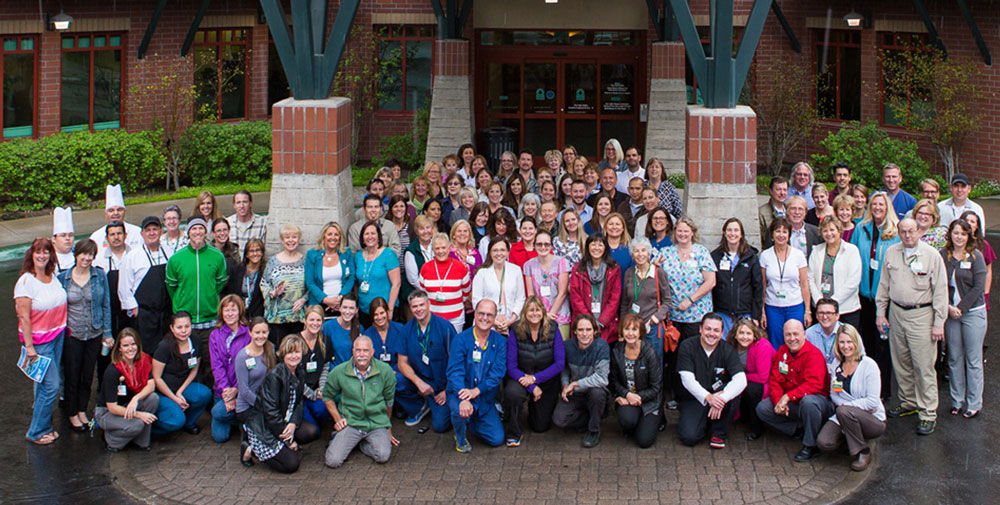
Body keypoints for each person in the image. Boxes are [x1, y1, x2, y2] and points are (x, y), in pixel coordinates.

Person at [875, 218, 948, 435]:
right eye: (903, 232)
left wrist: (938, 323)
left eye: (911, 232)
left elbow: (941, 291)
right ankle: (908, 402)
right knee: (901, 361)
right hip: (896, 313)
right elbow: (884, 285)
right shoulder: (891, 253)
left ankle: (927, 412)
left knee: (923, 365)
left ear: (919, 232)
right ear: (899, 232)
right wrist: (881, 312)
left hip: (922, 314)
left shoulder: (931, 255)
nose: (907, 236)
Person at [755, 320, 833, 462]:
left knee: (809, 402)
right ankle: (798, 429)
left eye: (796, 334)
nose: (792, 338)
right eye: (788, 335)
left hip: (817, 403)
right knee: (763, 408)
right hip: (793, 403)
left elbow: (814, 385)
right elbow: (775, 380)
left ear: (804, 334)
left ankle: (810, 445)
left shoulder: (813, 354)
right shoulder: (782, 352)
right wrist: (779, 400)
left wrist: (787, 397)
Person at [15, 238, 67, 445]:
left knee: (42, 385)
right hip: (40, 343)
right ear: (31, 254)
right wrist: (29, 347)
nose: (42, 255)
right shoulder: (26, 282)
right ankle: (36, 431)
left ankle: (44, 424)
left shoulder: (52, 276)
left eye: (46, 251)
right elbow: (24, 317)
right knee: (52, 386)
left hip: (57, 336)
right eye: (38, 252)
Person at [57, 238, 112, 432]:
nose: (87, 258)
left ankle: (82, 410)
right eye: (84, 254)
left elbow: (106, 305)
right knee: (72, 375)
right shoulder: (63, 278)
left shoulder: (99, 275)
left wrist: (107, 333)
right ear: (76, 255)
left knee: (88, 375)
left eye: (91, 254)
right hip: (73, 334)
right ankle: (71, 412)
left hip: (94, 332)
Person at [243, 334, 318, 473]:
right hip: (265, 426)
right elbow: (270, 413)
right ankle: (250, 449)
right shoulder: (275, 376)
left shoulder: (299, 371)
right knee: (291, 465)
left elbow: (300, 400)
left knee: (311, 432)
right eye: (290, 352)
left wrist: (293, 423)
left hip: (285, 418)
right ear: (283, 354)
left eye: (297, 352)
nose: (294, 356)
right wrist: (287, 440)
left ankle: (285, 447)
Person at [849, 192, 900, 398]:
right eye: (874, 204)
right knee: (866, 343)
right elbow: (853, 256)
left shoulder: (894, 231)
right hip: (863, 296)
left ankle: (883, 390)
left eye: (881, 204)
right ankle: (865, 387)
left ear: (887, 207)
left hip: (883, 298)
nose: (877, 207)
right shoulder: (861, 229)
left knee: (883, 346)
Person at [816, 324, 886, 472]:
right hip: (846, 415)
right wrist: (847, 409)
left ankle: (863, 452)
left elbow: (873, 401)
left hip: (872, 418)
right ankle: (851, 437)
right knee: (824, 443)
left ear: (856, 343)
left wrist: (847, 409)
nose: (846, 346)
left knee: (843, 411)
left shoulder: (869, 365)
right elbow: (834, 394)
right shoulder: (836, 364)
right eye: (842, 342)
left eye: (849, 342)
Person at [322, 334, 399, 466]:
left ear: (372, 352)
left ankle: (361, 444)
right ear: (353, 351)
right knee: (332, 461)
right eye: (358, 350)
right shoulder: (339, 371)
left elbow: (389, 401)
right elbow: (327, 396)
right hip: (352, 422)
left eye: (365, 350)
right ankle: (347, 440)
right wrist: (338, 419)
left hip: (376, 424)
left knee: (382, 456)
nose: (361, 354)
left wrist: (387, 425)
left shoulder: (385, 371)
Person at [676, 313, 747, 448]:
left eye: (716, 330)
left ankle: (718, 433)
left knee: (733, 393)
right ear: (700, 329)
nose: (711, 334)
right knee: (689, 437)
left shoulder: (727, 350)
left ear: (721, 333)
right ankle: (703, 421)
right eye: (708, 329)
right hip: (694, 398)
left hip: (719, 398)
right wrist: (708, 398)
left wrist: (722, 398)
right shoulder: (687, 346)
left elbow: (741, 380)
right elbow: (687, 379)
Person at [941, 219, 987, 418]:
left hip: (973, 312)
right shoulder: (943, 255)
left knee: (973, 359)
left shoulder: (976, 257)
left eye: (963, 233)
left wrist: (960, 308)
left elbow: (978, 287)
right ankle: (957, 400)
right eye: (955, 233)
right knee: (954, 357)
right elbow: (939, 283)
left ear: (969, 236)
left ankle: (974, 402)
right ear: (950, 234)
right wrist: (949, 307)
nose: (958, 237)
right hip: (951, 313)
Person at [504, 297, 564, 447]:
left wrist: (536, 379)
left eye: (537, 310)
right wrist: (531, 385)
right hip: (521, 378)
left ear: (543, 312)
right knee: (512, 393)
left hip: (545, 380)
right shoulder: (516, 330)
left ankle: (534, 408)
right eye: (531, 310)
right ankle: (514, 433)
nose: (534, 313)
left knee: (540, 426)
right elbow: (511, 367)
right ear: (525, 313)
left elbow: (559, 364)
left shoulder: (553, 329)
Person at [447, 300, 507, 452]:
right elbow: (455, 372)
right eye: (481, 314)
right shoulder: (461, 339)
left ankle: (472, 422)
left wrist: (476, 392)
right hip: (460, 394)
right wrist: (464, 398)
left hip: (483, 397)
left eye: (489, 315)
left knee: (497, 439)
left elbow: (497, 374)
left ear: (494, 318)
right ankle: (460, 437)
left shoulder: (500, 342)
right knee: (459, 411)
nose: (485, 318)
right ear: (474, 314)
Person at [396, 291, 458, 430]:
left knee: (440, 426)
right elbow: (402, 362)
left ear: (428, 304)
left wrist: (447, 390)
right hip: (421, 382)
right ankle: (419, 406)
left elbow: (456, 362)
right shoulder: (406, 331)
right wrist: (419, 383)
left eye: (421, 305)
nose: (418, 309)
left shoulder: (444, 327)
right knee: (396, 380)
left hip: (442, 385)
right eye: (414, 306)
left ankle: (435, 403)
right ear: (410, 309)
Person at [165, 216, 229, 349]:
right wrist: (182, 300)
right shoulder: (176, 258)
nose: (198, 232)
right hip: (185, 321)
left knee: (209, 359)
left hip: (209, 319)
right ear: (188, 232)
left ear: (205, 232)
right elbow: (171, 286)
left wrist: (209, 296)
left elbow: (220, 283)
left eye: (201, 228)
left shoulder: (217, 256)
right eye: (194, 228)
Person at [96, 328, 159, 452]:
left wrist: (136, 398)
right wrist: (139, 415)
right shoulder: (113, 371)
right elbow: (112, 407)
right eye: (125, 345)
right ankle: (112, 440)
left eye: (133, 344)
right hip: (108, 412)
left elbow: (151, 385)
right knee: (138, 424)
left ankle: (141, 441)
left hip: (128, 404)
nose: (130, 349)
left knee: (153, 398)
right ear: (119, 348)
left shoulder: (143, 360)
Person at [553, 314, 610, 448]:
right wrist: (565, 384)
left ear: (595, 331)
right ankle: (591, 417)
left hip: (593, 389)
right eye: (580, 330)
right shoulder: (568, 346)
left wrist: (575, 384)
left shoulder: (601, 346)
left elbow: (602, 378)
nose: (584, 334)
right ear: (574, 332)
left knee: (597, 394)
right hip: (575, 392)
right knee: (559, 420)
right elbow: (565, 368)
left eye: (588, 330)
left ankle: (593, 431)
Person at [151, 311, 212, 435]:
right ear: (172, 328)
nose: (183, 331)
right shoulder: (164, 347)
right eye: (179, 327)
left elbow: (195, 369)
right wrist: (175, 398)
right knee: (175, 421)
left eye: (187, 326)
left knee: (204, 394)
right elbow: (157, 378)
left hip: (183, 387)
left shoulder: (195, 341)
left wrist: (180, 392)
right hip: (164, 391)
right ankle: (149, 429)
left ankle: (189, 423)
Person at [658, 216, 717, 341]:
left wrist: (689, 301)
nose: (682, 234)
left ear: (692, 233)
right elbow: (653, 274)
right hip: (672, 315)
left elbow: (711, 281)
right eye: (679, 231)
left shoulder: (701, 252)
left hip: (696, 314)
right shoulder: (666, 252)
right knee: (674, 355)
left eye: (686, 231)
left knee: (693, 352)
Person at [610, 313, 662, 448]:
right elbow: (614, 381)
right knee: (627, 421)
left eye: (634, 329)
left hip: (649, 401)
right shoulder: (617, 351)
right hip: (627, 397)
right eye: (627, 329)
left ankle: (658, 418)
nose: (630, 333)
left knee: (644, 441)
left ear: (641, 332)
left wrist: (636, 398)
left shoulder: (649, 353)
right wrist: (626, 395)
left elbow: (656, 387)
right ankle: (636, 421)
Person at [119, 216, 170, 352]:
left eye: (155, 229)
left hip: (165, 314)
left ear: (161, 231)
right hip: (144, 316)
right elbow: (124, 288)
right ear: (142, 234)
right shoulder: (132, 256)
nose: (151, 233)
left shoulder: (169, 252)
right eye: (148, 230)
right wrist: (135, 310)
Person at [760, 217, 811, 348]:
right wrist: (763, 312)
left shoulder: (798, 255)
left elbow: (804, 284)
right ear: (772, 234)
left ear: (789, 235)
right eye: (778, 231)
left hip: (795, 306)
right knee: (776, 343)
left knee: (796, 342)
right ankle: (779, 368)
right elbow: (763, 285)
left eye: (784, 232)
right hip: (773, 307)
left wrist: (807, 310)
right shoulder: (765, 255)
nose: (781, 235)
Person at [208, 295, 251, 443]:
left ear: (240, 311)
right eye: (226, 310)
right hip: (223, 392)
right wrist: (227, 391)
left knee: (219, 412)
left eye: (234, 310)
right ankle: (239, 418)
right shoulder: (215, 335)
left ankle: (241, 415)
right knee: (220, 437)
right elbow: (216, 365)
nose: (230, 314)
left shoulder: (249, 334)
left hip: (242, 390)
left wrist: (237, 390)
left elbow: (251, 366)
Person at [233, 317, 275, 465]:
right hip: (248, 406)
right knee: (268, 437)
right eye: (257, 332)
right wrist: (262, 406)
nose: (261, 336)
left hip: (266, 402)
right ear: (250, 333)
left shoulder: (271, 349)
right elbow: (243, 390)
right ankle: (247, 448)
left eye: (264, 332)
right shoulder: (242, 356)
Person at [711, 218, 763, 336]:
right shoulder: (715, 256)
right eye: (729, 230)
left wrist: (756, 315)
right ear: (724, 233)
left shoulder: (751, 257)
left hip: (745, 313)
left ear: (741, 234)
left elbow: (758, 287)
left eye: (736, 230)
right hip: (722, 313)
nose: (732, 233)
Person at [808, 217, 862, 329]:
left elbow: (853, 280)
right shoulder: (816, 250)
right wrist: (819, 302)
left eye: (832, 230)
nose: (829, 234)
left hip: (846, 309)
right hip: (821, 310)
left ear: (839, 231)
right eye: (825, 230)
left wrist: (833, 302)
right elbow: (810, 278)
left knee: (846, 344)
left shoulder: (852, 250)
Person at [569, 233, 623, 344]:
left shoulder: (613, 268)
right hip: (583, 322)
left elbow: (615, 298)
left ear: (605, 248)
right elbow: (575, 297)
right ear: (588, 247)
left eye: (600, 245)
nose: (596, 248)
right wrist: (589, 322)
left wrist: (602, 321)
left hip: (606, 323)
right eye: (593, 244)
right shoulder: (578, 269)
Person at [260, 224, 307, 344]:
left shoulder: (305, 261)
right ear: (282, 240)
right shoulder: (273, 262)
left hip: (299, 317)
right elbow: (264, 284)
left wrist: (303, 299)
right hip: (277, 319)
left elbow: (311, 285)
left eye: (294, 237)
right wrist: (273, 293)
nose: (291, 240)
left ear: (299, 239)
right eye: (287, 237)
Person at [728, 319, 774, 440]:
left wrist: (739, 378)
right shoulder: (731, 346)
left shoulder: (762, 346)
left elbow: (763, 377)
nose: (745, 337)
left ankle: (757, 426)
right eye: (741, 333)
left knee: (751, 390)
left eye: (748, 333)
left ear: (754, 335)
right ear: (735, 335)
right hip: (746, 378)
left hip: (767, 382)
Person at [523, 229, 572, 337]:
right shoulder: (528, 265)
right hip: (537, 316)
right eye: (539, 244)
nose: (543, 247)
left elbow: (562, 293)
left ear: (551, 246)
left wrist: (550, 314)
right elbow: (531, 294)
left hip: (559, 315)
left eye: (546, 244)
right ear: (534, 246)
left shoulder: (562, 262)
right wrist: (541, 314)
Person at [420, 232, 472, 332]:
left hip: (456, 317)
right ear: (433, 250)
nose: (441, 251)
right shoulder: (425, 268)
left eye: (443, 248)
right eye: (437, 248)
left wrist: (455, 303)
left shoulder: (460, 267)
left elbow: (466, 290)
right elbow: (423, 292)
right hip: (432, 317)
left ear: (449, 248)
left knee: (454, 345)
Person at [472, 237, 525, 333]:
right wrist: (493, 321)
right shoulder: (482, 272)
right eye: (495, 250)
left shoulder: (516, 270)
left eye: (502, 250)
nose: (499, 253)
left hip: (512, 323)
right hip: (485, 323)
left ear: (508, 252)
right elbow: (476, 301)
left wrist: (511, 320)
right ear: (490, 253)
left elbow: (520, 298)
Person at [354, 221, 401, 327]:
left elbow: (396, 284)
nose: (370, 237)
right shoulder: (358, 257)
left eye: (373, 233)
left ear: (379, 236)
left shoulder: (388, 254)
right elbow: (357, 283)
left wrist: (390, 309)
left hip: (383, 311)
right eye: (366, 234)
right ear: (362, 238)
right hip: (364, 310)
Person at [304, 222, 355, 317]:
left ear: (340, 238)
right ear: (324, 236)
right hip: (319, 305)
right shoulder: (312, 255)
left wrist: (340, 298)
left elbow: (351, 278)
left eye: (336, 234)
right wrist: (326, 300)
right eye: (329, 234)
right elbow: (310, 283)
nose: (333, 237)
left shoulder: (346, 253)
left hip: (341, 305)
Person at [806, 298, 862, 374]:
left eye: (829, 313)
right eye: (821, 313)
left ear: (837, 316)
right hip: (816, 375)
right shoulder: (809, 334)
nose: (825, 317)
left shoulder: (849, 333)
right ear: (816, 315)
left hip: (843, 376)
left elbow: (860, 358)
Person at [90, 184, 142, 257]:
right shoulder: (96, 237)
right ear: (105, 213)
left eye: (119, 210)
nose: (116, 213)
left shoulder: (137, 232)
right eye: (111, 210)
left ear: (124, 211)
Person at [963, 211, 993, 310]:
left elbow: (988, 271)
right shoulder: (954, 245)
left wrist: (986, 294)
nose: (969, 223)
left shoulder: (984, 245)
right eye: (966, 220)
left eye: (972, 221)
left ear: (977, 227)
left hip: (977, 294)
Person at [228, 238, 265, 318]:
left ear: (262, 253)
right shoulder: (236, 271)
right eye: (251, 251)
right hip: (238, 315)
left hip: (258, 317)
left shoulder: (265, 272)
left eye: (258, 250)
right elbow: (230, 294)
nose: (255, 254)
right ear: (247, 254)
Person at [323, 293, 362, 368]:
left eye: (351, 308)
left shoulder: (359, 328)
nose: (347, 311)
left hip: (353, 372)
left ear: (356, 310)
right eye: (345, 307)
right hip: (333, 372)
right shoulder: (328, 327)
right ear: (339, 308)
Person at [227, 190, 267, 255]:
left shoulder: (263, 223)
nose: (242, 206)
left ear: (250, 203)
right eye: (238, 202)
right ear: (234, 205)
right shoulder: (228, 223)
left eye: (245, 202)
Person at [758, 176, 788, 246]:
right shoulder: (761, 212)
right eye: (778, 189)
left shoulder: (790, 210)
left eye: (785, 190)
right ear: (771, 191)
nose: (782, 193)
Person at [52, 206, 75, 273]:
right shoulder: (48, 258)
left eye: (70, 235)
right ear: (53, 239)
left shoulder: (78, 255)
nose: (67, 238)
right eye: (63, 235)